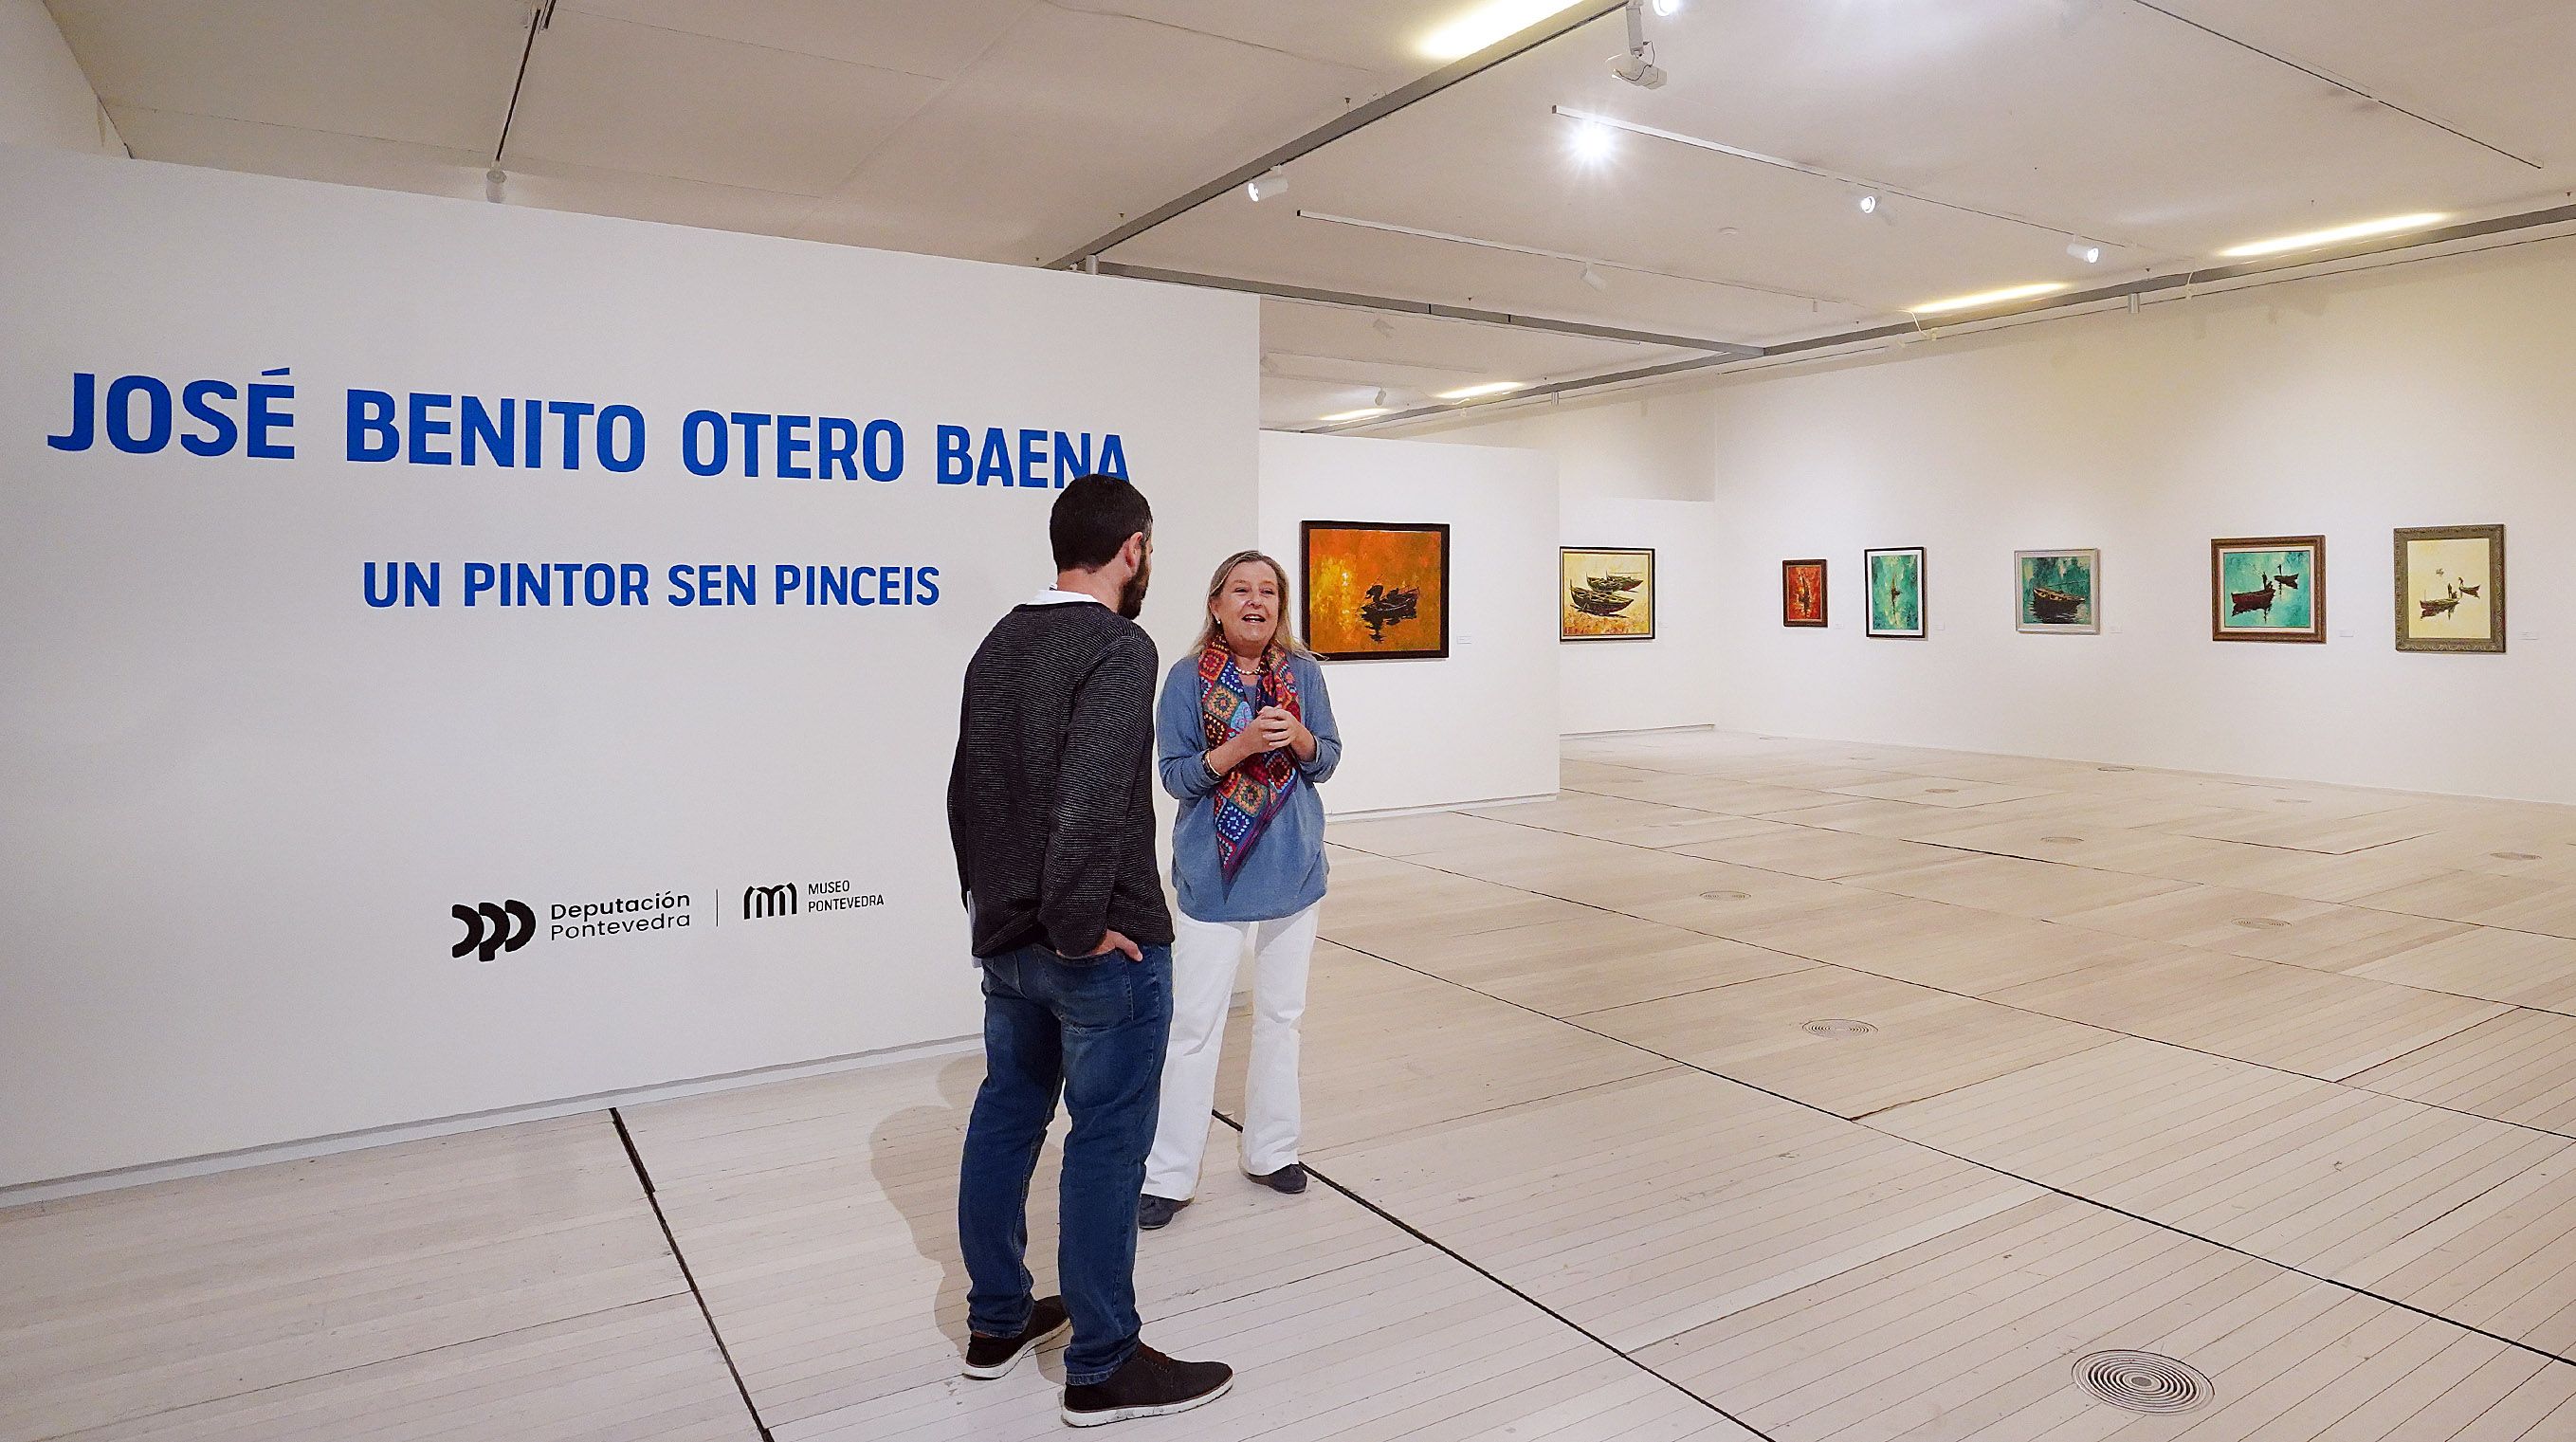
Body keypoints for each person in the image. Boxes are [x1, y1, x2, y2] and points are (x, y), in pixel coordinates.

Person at [945, 474, 1233, 1428]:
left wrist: (993, 912)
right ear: (1135, 548)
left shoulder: (1001, 638)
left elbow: (966, 791)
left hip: (1009, 937)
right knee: (1105, 1144)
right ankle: (1102, 1365)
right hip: (1092, 946)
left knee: (1006, 1115)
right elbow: (1086, 800)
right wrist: (1076, 928)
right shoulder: (1117, 644)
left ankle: (996, 1323)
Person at [1138, 550, 1342, 1230]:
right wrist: (1242, 744)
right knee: (1195, 1027)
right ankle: (1168, 1174)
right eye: (1240, 590)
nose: (1255, 601)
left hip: (1295, 873)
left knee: (1282, 1019)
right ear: (1216, 604)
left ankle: (1271, 1150)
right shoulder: (1184, 680)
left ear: (1279, 606)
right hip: (1213, 879)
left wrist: (1303, 738)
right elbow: (1173, 776)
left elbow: (1330, 759)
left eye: (1267, 591)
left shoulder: (1303, 674)